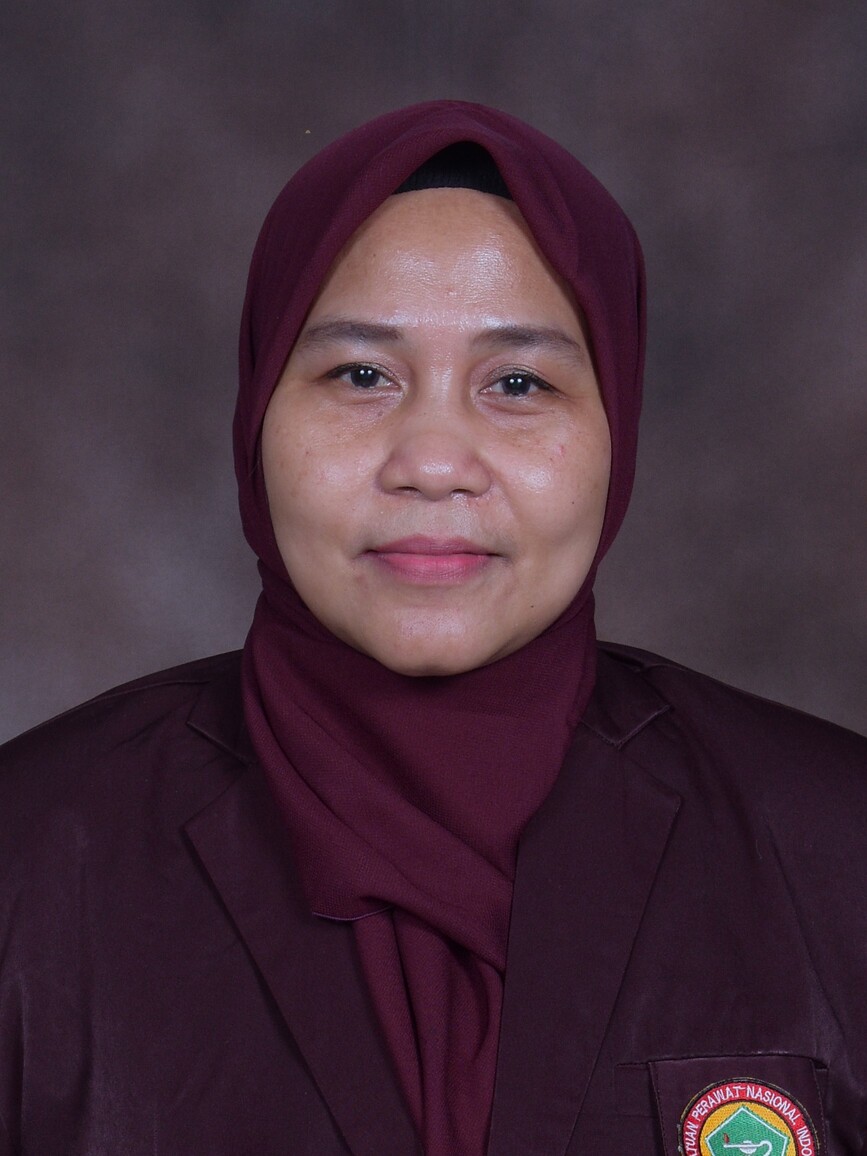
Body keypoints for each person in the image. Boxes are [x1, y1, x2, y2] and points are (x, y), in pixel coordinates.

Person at [0, 100, 864, 1156]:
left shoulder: (837, 853)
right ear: (257, 413)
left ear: (618, 426)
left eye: (518, 382)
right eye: (361, 375)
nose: (434, 460)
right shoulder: (27, 862)